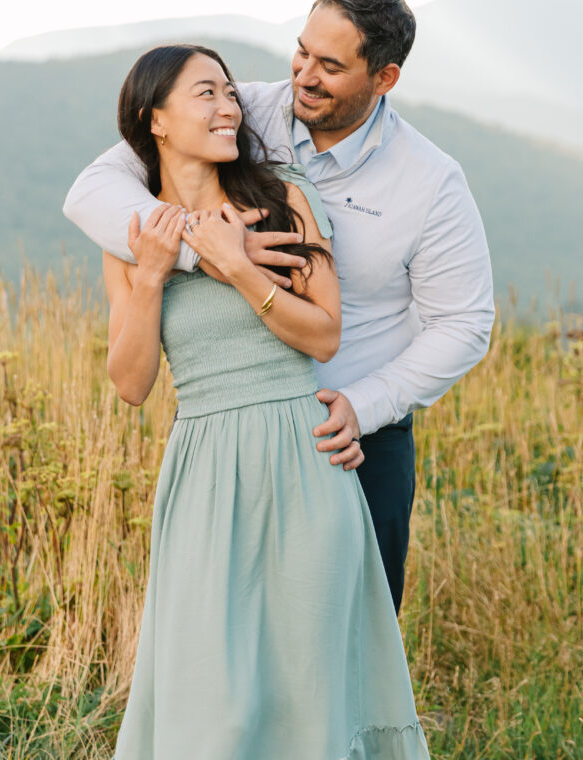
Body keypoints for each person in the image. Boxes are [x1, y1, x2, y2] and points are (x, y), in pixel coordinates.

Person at [64, 0, 495, 614]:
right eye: (302, 52)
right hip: (233, 434)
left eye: (331, 66)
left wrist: (363, 405)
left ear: (384, 78)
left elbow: (464, 323)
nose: (305, 76)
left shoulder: (429, 182)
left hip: (353, 439)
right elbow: (95, 191)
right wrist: (197, 252)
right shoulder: (242, 114)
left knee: (350, 640)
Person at [100, 43, 430, 759]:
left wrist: (238, 269)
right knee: (211, 696)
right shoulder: (131, 233)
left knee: (308, 693)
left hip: (304, 462)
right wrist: (154, 275)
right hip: (205, 472)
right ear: (154, 119)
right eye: (204, 94)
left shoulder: (279, 195)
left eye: (228, 92)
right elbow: (130, 384)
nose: (227, 107)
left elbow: (322, 335)